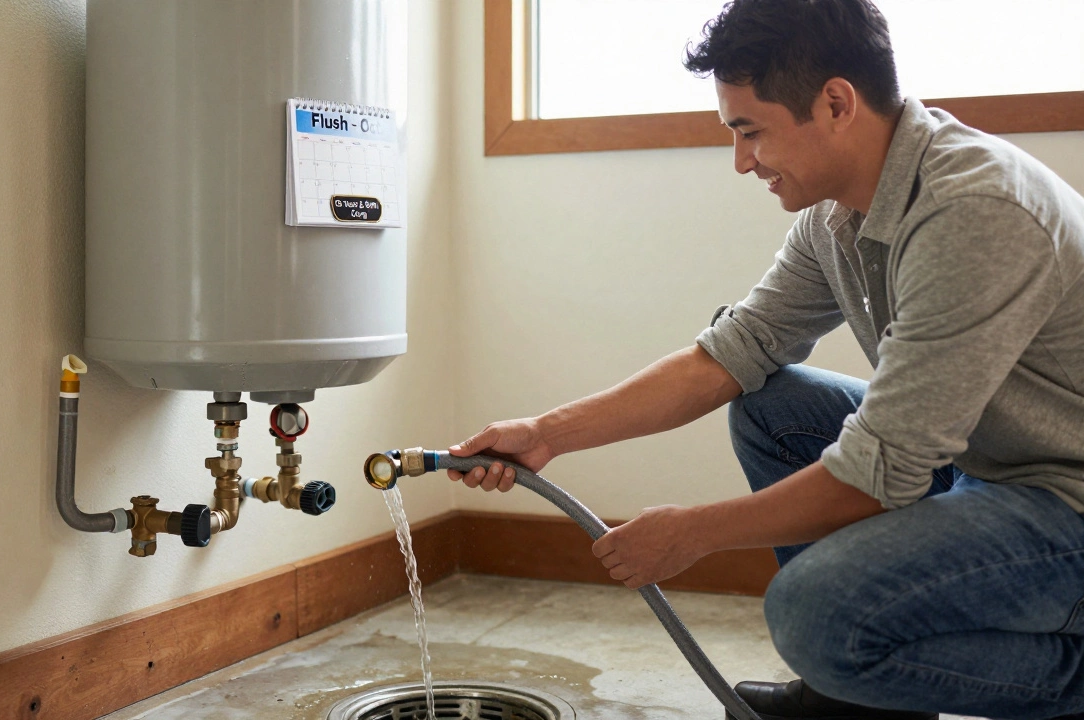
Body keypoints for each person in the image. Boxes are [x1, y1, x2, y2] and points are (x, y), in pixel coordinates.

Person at [448, 1, 1084, 719]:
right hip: (991, 466)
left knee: (815, 614)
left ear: (836, 102)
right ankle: (857, 706)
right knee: (774, 408)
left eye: (751, 131)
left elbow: (883, 470)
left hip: (1068, 498)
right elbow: (727, 357)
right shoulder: (837, 215)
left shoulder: (976, 210)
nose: (742, 161)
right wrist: (548, 433)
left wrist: (692, 533)